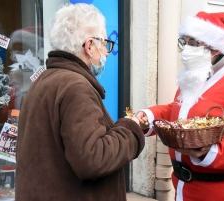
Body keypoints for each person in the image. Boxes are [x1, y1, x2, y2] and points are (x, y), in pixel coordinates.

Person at [136, 11, 224, 201]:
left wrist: (210, 150)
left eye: (193, 43)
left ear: (216, 48)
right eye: (184, 42)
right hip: (188, 190)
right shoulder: (197, 73)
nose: (186, 50)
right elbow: (181, 114)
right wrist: (149, 117)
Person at [15, 3, 145, 201]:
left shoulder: (44, 80)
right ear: (89, 46)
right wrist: (131, 129)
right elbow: (93, 158)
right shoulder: (76, 87)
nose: (107, 52)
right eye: (105, 44)